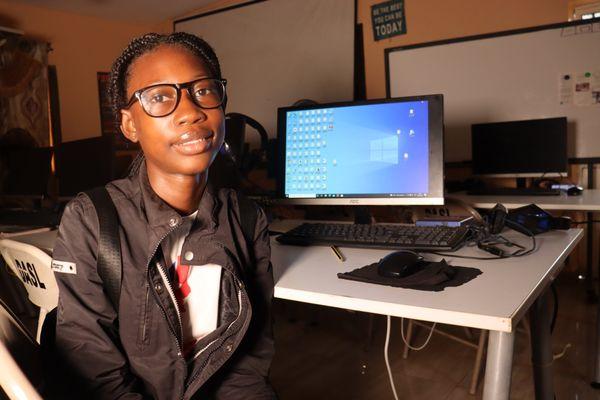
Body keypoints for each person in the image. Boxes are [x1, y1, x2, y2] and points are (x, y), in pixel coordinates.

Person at [50, 32, 276, 399]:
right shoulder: (91, 220)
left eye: (203, 90)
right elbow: (97, 378)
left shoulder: (248, 219)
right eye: (159, 97)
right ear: (129, 125)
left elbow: (249, 362)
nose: (191, 111)